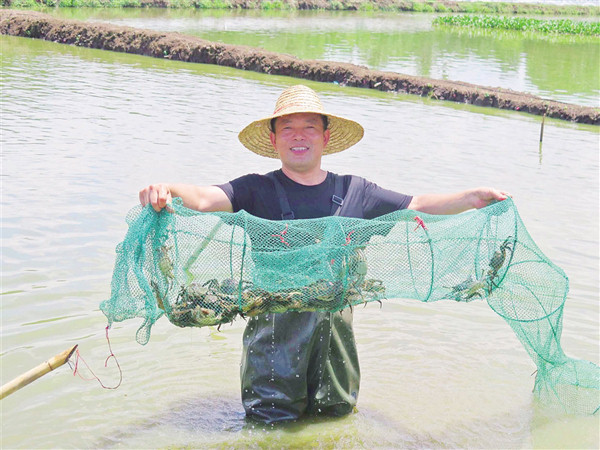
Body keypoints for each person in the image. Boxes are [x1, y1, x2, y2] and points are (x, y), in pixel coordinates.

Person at [139, 85, 510, 424]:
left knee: (337, 421)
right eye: (287, 128)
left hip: (336, 343)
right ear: (273, 140)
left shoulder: (356, 192)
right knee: (270, 425)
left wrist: (470, 199)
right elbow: (202, 199)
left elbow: (416, 204)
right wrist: (165, 188)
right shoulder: (255, 190)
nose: (298, 136)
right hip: (273, 343)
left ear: (326, 137)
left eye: (310, 128)